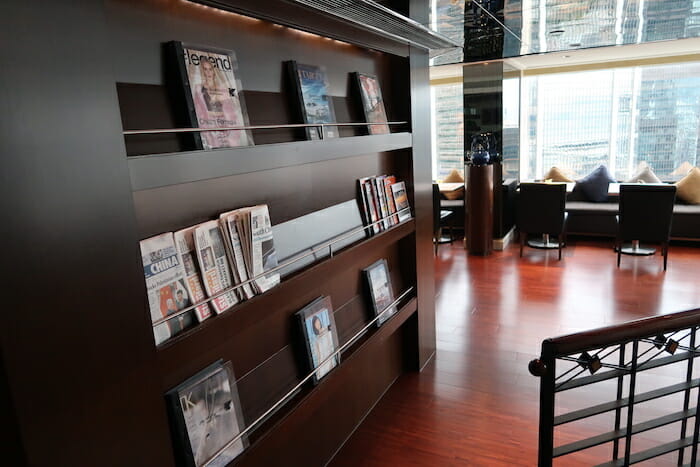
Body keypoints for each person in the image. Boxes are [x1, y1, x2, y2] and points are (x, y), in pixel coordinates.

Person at [311, 314, 336, 378]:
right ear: (314, 326)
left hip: (329, 357)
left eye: (318, 322)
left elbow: (331, 346)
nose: (318, 324)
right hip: (322, 361)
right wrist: (318, 371)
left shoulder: (327, 330)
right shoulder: (316, 340)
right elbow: (319, 355)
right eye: (316, 323)